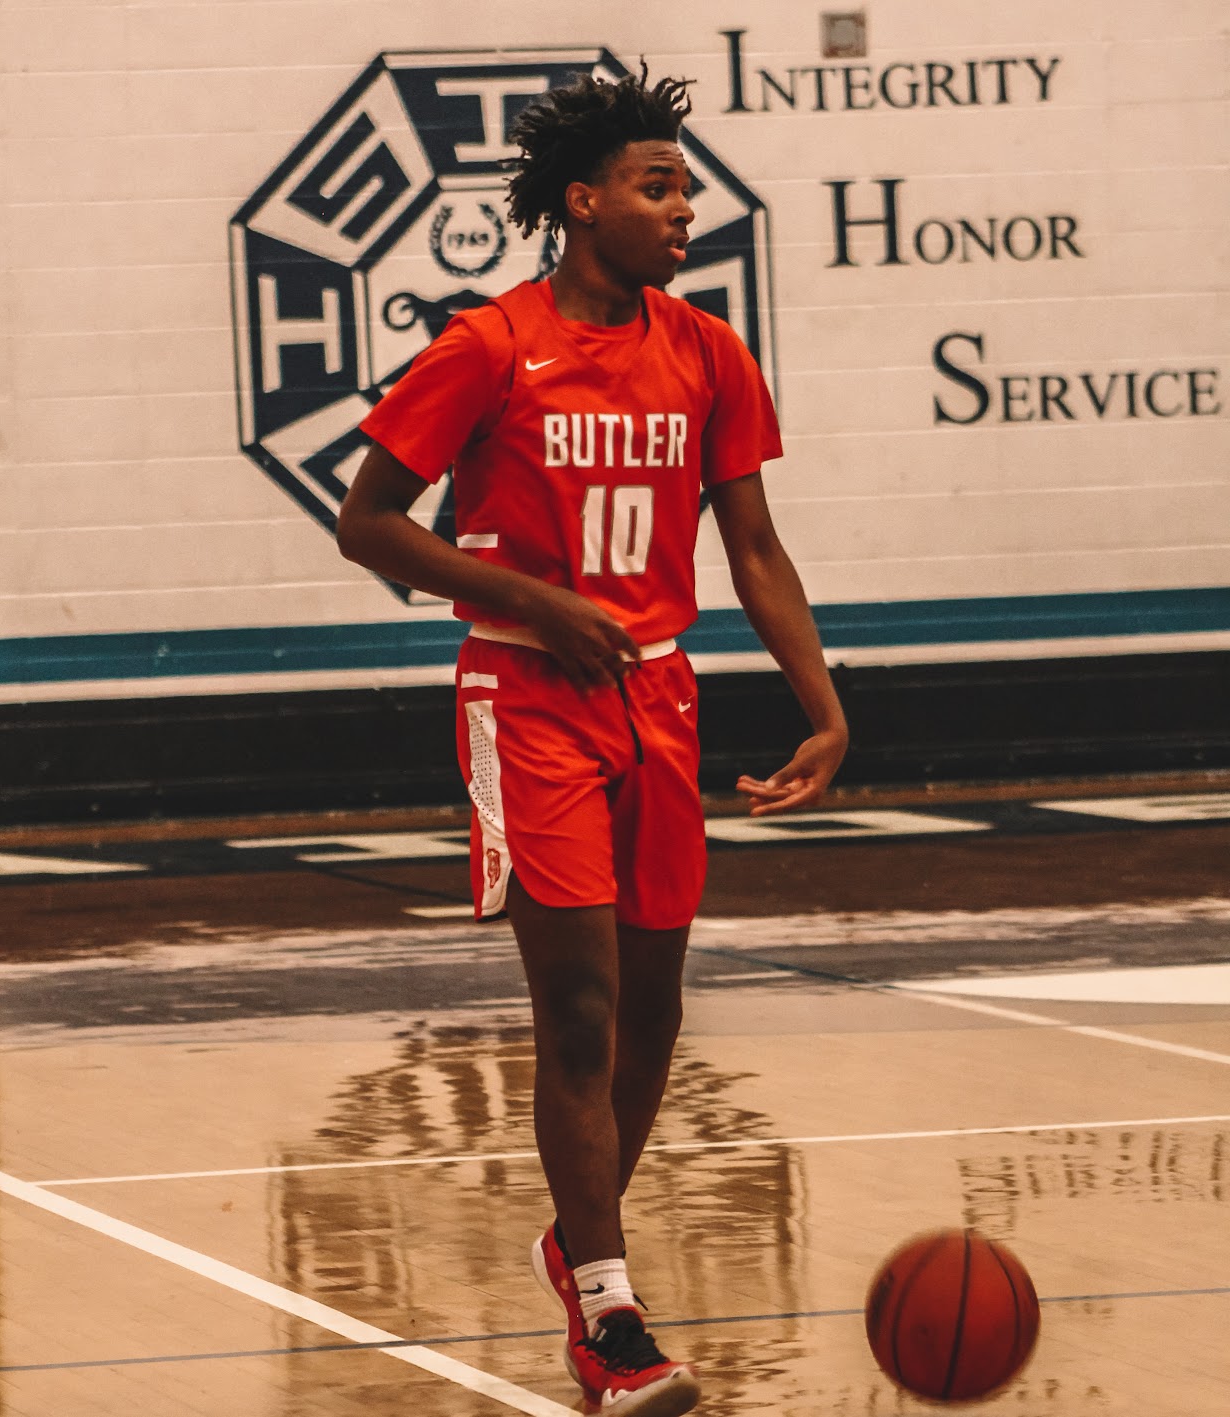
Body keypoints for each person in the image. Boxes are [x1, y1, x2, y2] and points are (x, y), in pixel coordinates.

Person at [337, 67, 848, 1417]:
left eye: (685, 186)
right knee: (576, 1008)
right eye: (657, 185)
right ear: (583, 202)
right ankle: (612, 1323)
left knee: (654, 1016)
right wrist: (527, 596)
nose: (685, 208)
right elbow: (370, 521)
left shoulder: (706, 350)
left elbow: (753, 546)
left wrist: (823, 699)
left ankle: (578, 1241)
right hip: (528, 694)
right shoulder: (488, 346)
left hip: (660, 699)